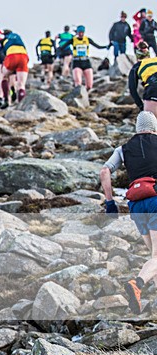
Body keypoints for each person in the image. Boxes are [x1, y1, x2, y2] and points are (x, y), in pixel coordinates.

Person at [100, 111, 157, 314]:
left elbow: (105, 171)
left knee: (153, 255)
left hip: (136, 205)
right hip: (155, 200)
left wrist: (110, 203)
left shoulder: (123, 149)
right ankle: (138, 283)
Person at [71, 25, 109, 91]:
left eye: (82, 32)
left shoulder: (87, 39)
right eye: (79, 32)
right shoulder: (73, 40)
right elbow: (62, 47)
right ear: (77, 33)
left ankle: (85, 96)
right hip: (77, 62)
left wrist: (106, 46)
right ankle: (78, 96)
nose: (81, 34)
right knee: (78, 83)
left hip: (86, 62)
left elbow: (98, 46)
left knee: (89, 85)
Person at [0, 29, 29, 109]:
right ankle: (21, 106)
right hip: (23, 56)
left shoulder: (3, 40)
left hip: (11, 56)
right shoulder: (18, 37)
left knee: (4, 76)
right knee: (21, 84)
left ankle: (6, 100)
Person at [129, 42, 157, 115]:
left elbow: (132, 89)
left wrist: (141, 106)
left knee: (150, 124)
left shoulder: (137, 66)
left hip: (153, 90)